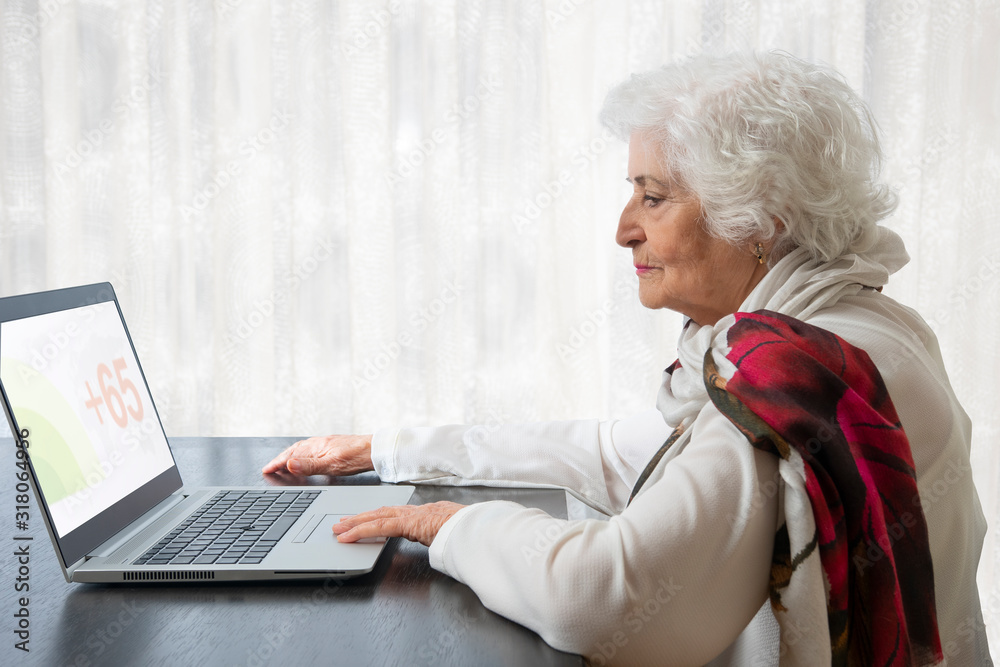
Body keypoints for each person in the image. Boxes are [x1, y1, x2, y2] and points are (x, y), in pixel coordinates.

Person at [263, 52, 990, 666]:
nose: (623, 230)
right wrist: (387, 448)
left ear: (760, 215)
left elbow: (607, 598)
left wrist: (443, 526)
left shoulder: (786, 379)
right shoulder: (862, 327)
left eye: (654, 196)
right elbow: (620, 453)